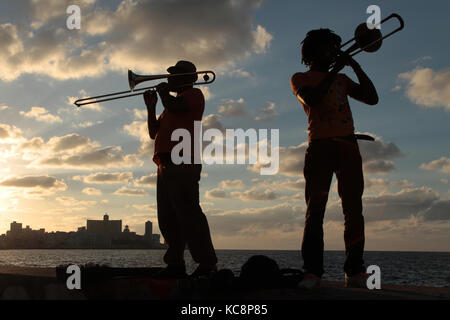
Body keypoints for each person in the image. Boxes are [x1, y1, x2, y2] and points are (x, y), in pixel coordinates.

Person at [290, 29, 378, 289]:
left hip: (348, 146)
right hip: (319, 147)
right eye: (329, 47)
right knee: (314, 211)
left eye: (335, 48)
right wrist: (334, 71)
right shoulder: (300, 78)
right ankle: (312, 272)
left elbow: (372, 98)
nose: (334, 52)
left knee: (354, 210)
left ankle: (355, 270)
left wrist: (355, 67)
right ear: (314, 52)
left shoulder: (341, 78)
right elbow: (313, 99)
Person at [144, 60, 217, 278]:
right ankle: (175, 263)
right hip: (165, 162)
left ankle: (206, 263)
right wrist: (151, 107)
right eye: (170, 75)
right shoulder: (170, 105)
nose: (169, 79)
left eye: (174, 75)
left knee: (189, 213)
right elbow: (153, 132)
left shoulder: (194, 95)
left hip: (183, 159)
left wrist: (164, 96)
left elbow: (176, 106)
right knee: (167, 216)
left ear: (189, 78)